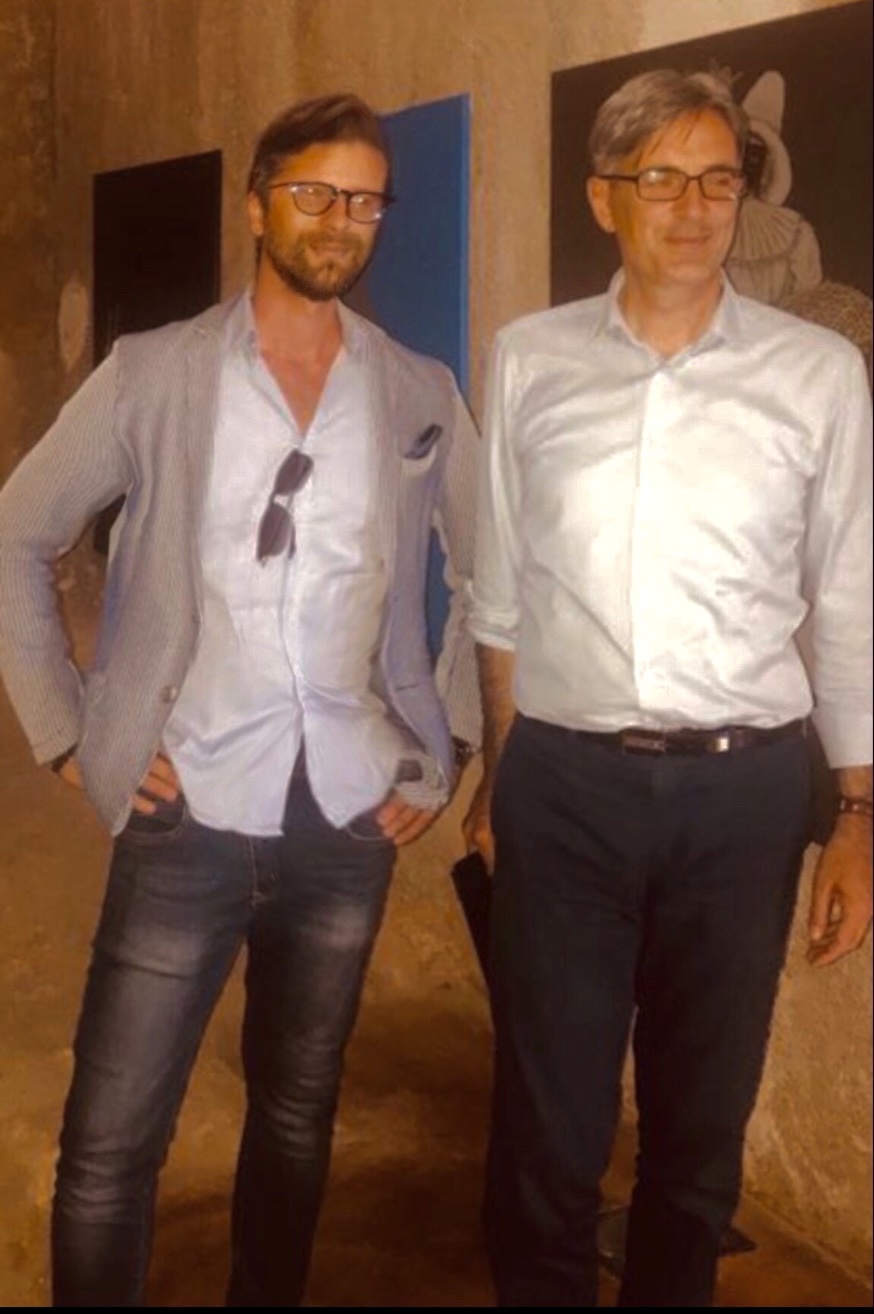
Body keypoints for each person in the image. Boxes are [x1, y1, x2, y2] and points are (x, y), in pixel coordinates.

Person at [0, 92, 480, 1307]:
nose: (339, 219)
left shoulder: (417, 391)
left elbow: (492, 575)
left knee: (298, 1113)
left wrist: (450, 741)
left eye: (363, 199)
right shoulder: (156, 375)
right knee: (108, 1148)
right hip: (185, 812)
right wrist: (69, 733)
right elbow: (17, 531)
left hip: (346, 820)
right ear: (258, 204)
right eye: (313, 192)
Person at [465, 68, 871, 1308]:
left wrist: (857, 814)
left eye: (717, 179)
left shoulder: (816, 374)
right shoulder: (528, 361)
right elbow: (500, 598)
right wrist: (499, 774)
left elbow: (849, 602)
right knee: (548, 1136)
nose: (695, 208)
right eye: (662, 179)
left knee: (698, 1138)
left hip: (745, 801)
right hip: (564, 787)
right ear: (605, 198)